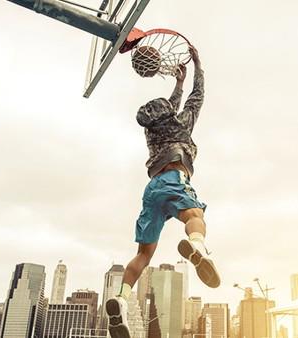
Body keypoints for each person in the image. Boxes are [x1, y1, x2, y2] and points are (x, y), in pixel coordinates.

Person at [106, 45, 220, 338]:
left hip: (151, 189)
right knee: (195, 214)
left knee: (144, 254)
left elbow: (169, 105)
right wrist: (197, 66)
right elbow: (197, 98)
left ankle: (120, 297)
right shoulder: (183, 124)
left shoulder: (151, 128)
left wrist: (177, 84)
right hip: (173, 178)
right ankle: (197, 246)